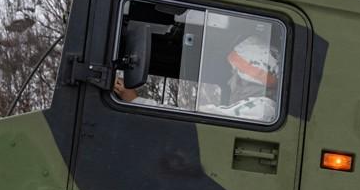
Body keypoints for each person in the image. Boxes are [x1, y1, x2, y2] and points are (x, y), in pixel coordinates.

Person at [112, 34, 279, 124]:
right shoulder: (260, 108)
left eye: (234, 75)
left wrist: (135, 101)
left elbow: (187, 119)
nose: (229, 82)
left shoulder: (261, 110)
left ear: (249, 78)